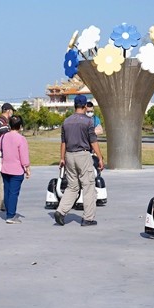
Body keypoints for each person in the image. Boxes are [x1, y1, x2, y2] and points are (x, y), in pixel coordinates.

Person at [54, 94, 103, 226]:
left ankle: (61, 211)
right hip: (83, 155)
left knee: (72, 186)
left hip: (69, 155)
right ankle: (88, 218)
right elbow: (93, 141)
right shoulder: (88, 121)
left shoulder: (66, 121)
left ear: (75, 105)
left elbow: (63, 142)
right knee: (88, 186)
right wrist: (100, 157)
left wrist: (62, 158)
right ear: (85, 106)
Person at [0, 115, 31, 223]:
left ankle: (9, 212)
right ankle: (11, 215)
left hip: (5, 168)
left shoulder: (3, 137)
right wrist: (27, 168)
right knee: (13, 193)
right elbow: (24, 156)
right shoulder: (21, 139)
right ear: (20, 126)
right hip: (17, 170)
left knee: (7, 191)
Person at [0, 103, 15, 212]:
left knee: (0, 178)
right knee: (5, 179)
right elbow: (7, 141)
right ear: (8, 110)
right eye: (12, 111)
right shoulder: (4, 124)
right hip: (4, 154)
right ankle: (3, 203)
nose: (12, 113)